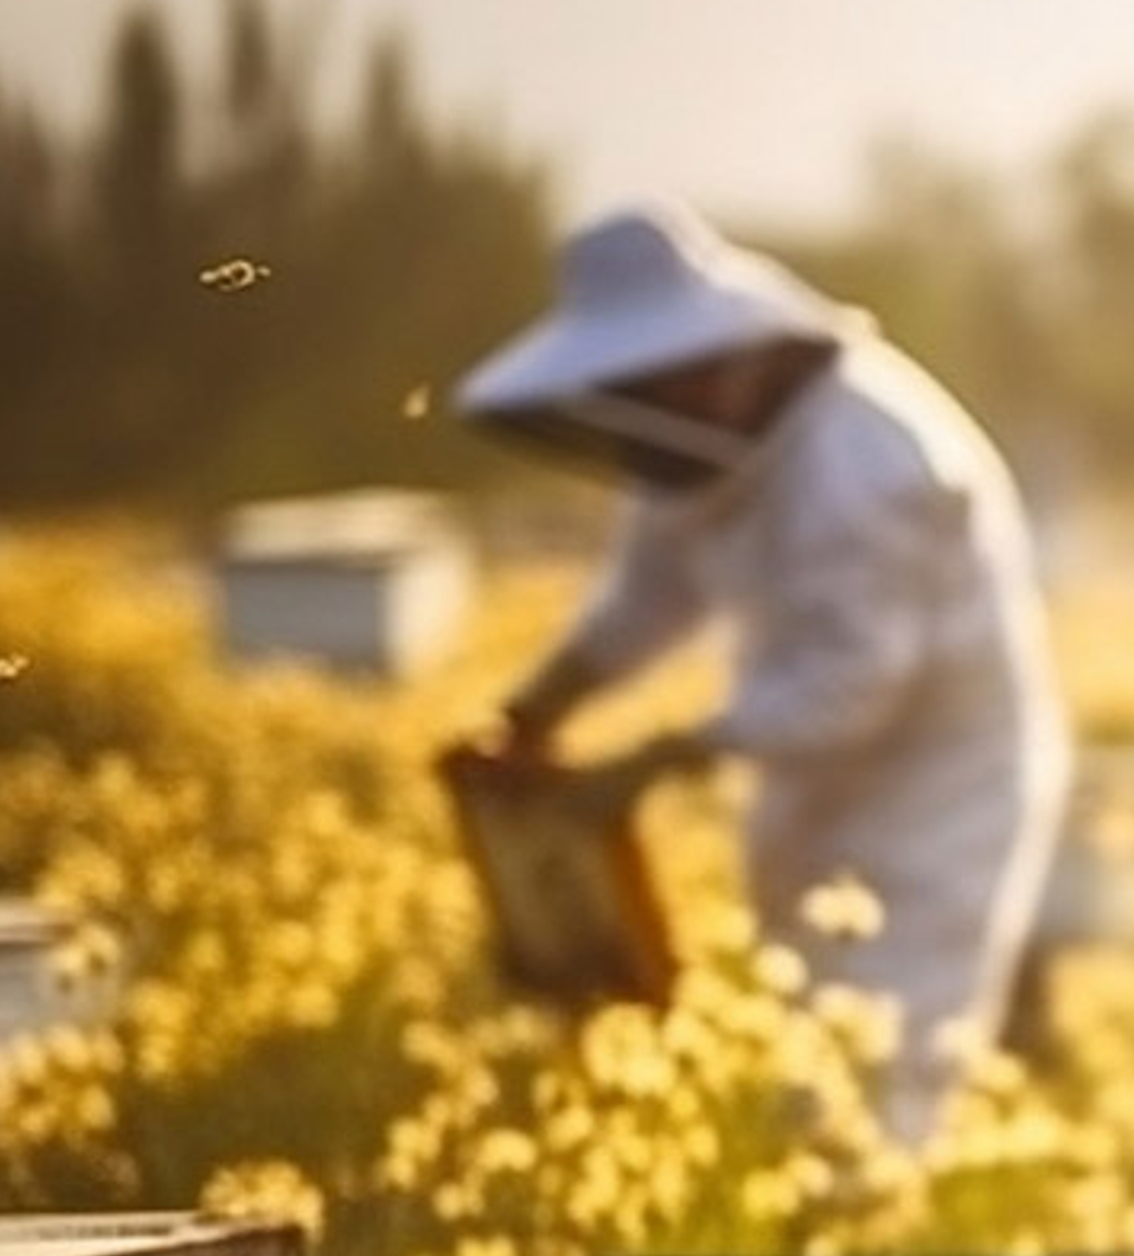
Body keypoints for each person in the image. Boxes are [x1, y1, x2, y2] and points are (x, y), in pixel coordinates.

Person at [456, 199, 1072, 1145]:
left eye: (660, 382)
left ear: (723, 357)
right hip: (808, 779)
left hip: (938, 794)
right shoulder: (701, 450)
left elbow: (853, 686)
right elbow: (649, 595)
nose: (651, 413)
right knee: (794, 1063)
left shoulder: (873, 464)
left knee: (883, 1072)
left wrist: (662, 755)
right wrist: (541, 705)